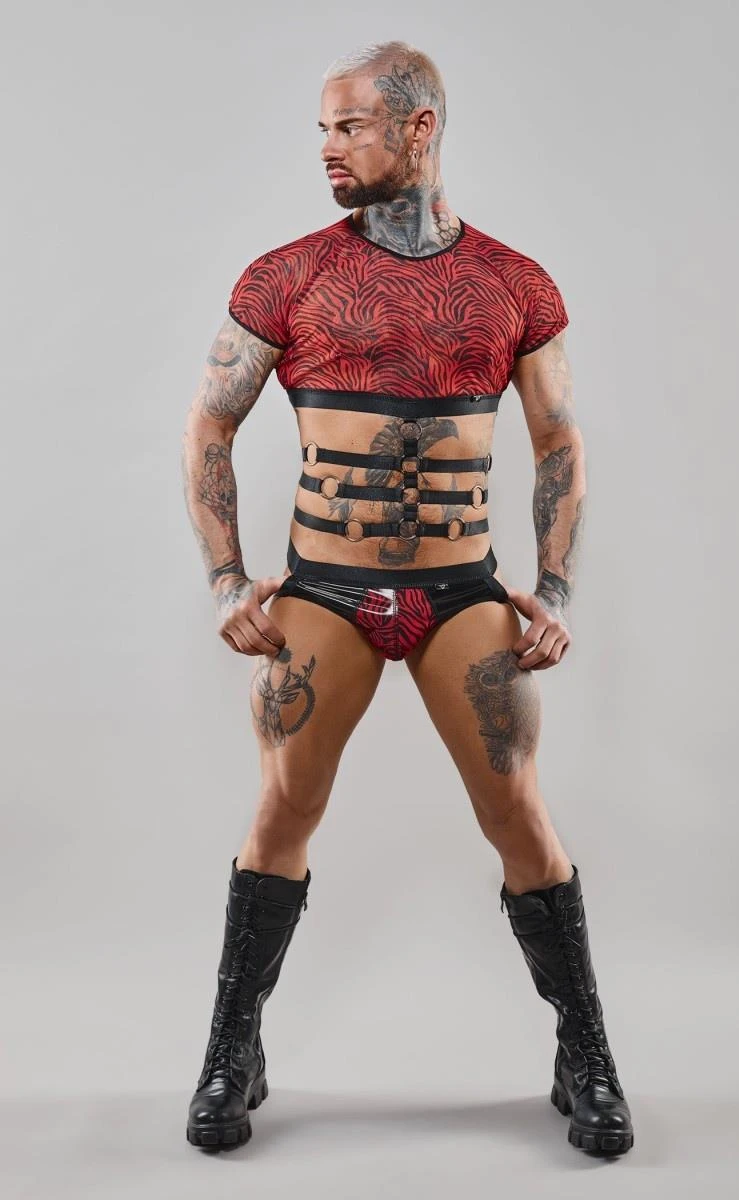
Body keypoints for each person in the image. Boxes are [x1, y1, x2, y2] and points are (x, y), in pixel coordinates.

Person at [181, 40, 634, 1157]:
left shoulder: (515, 284)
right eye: (323, 129)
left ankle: (583, 1053)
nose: (327, 149)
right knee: (283, 808)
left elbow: (559, 441)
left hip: (458, 588)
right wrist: (228, 579)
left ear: (417, 127)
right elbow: (209, 425)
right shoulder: (285, 277)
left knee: (516, 812)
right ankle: (232, 1051)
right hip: (327, 589)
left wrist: (556, 589)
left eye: (348, 126)